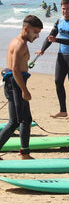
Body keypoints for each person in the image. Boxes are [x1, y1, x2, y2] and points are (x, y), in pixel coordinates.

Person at [0, 15, 43, 160]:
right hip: (16, 84)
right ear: (26, 29)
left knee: (23, 119)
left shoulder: (16, 41)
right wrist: (25, 90)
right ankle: (25, 153)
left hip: (13, 83)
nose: (37, 36)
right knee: (18, 121)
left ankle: (25, 152)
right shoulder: (20, 44)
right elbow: (15, 70)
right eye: (35, 32)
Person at [38, 0, 69, 119]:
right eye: (63, 9)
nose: (65, 11)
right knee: (58, 82)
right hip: (61, 57)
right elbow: (50, 37)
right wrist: (43, 49)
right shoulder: (59, 21)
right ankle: (63, 111)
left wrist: (56, 40)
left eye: (68, 8)